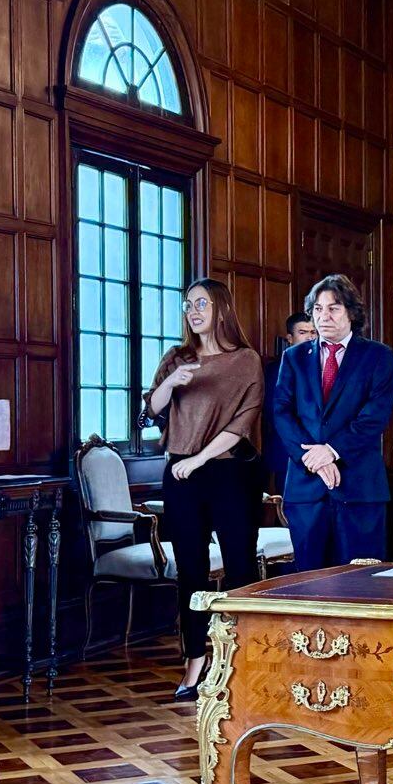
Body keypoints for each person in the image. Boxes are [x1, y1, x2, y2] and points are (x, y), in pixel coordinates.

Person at [143, 278, 264, 702]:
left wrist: (197, 460)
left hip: (230, 474)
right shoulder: (177, 359)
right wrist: (170, 382)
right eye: (188, 304)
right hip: (180, 477)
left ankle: (242, 661)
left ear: (222, 309)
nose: (193, 311)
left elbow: (242, 423)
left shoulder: (245, 361)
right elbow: (148, 412)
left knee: (239, 570)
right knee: (190, 572)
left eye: (202, 303)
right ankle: (195, 661)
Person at [271, 275, 393, 569]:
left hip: (359, 489)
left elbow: (374, 417)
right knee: (309, 584)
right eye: (317, 309)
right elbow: (282, 412)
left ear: (351, 312)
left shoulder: (378, 356)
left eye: (333, 308)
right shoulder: (294, 358)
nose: (323, 317)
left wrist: (331, 450)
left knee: (361, 585)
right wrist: (313, 457)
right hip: (306, 488)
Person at [263, 312, 316, 492]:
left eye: (313, 332)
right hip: (288, 452)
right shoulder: (275, 371)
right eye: (303, 332)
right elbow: (273, 412)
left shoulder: (329, 367)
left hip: (325, 453)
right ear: (290, 338)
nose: (310, 337)